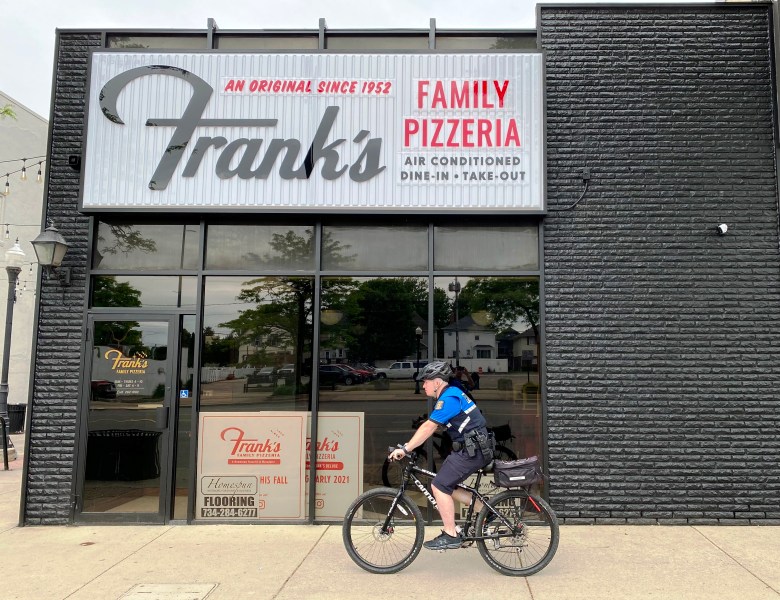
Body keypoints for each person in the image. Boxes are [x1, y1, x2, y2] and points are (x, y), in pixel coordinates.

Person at [388, 361, 494, 550]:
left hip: (472, 450)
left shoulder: (449, 398)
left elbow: (430, 426)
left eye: (426, 381)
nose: (423, 385)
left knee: (438, 485)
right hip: (473, 448)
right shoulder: (450, 394)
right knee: (446, 485)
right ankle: (485, 510)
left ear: (437, 382)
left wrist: (405, 449)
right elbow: (435, 421)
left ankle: (450, 534)